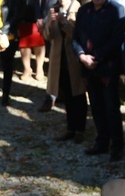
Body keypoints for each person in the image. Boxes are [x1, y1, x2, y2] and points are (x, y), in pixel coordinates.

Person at [72, 0, 125, 161]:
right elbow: (75, 37)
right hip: (87, 66)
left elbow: (117, 39)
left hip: (107, 66)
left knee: (111, 107)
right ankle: (102, 141)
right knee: (95, 106)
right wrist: (81, 56)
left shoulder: (116, 9)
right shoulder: (83, 11)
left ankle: (117, 145)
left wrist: (96, 56)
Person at [43, 0, 87, 143]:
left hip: (73, 59)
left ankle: (80, 130)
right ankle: (70, 128)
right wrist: (50, 23)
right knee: (67, 95)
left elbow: (78, 33)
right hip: (58, 59)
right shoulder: (53, 9)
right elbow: (47, 36)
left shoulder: (77, 8)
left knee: (78, 95)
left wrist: (64, 22)